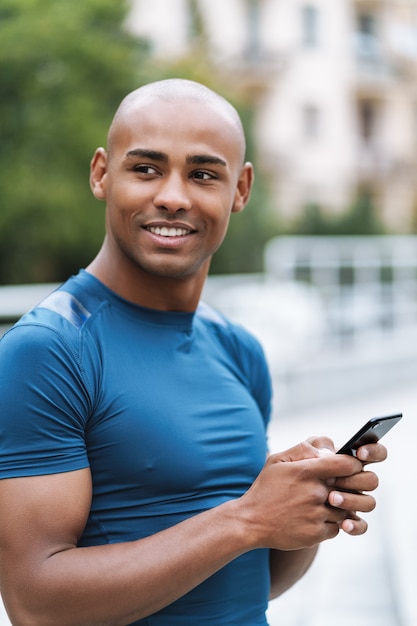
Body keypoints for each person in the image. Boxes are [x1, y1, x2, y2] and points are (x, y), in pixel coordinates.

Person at [0, 78, 386, 626]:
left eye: (203, 174)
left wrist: (306, 506)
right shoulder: (47, 351)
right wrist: (247, 519)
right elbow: (36, 604)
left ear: (241, 189)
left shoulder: (238, 348)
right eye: (146, 169)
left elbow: (255, 582)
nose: (174, 196)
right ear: (101, 174)